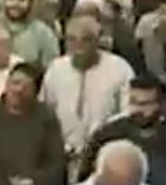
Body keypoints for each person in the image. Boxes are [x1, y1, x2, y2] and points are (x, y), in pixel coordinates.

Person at [41, 15, 135, 171]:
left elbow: (127, 113)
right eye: (71, 39)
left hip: (105, 154)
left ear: (98, 41)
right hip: (63, 155)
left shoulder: (120, 69)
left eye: (86, 40)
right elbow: (46, 111)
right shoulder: (56, 69)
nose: (78, 46)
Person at [0, 63, 68, 185]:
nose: (18, 90)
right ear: (6, 84)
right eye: (15, 83)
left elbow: (56, 164)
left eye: (26, 86)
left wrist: (34, 182)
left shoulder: (46, 118)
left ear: (36, 91)